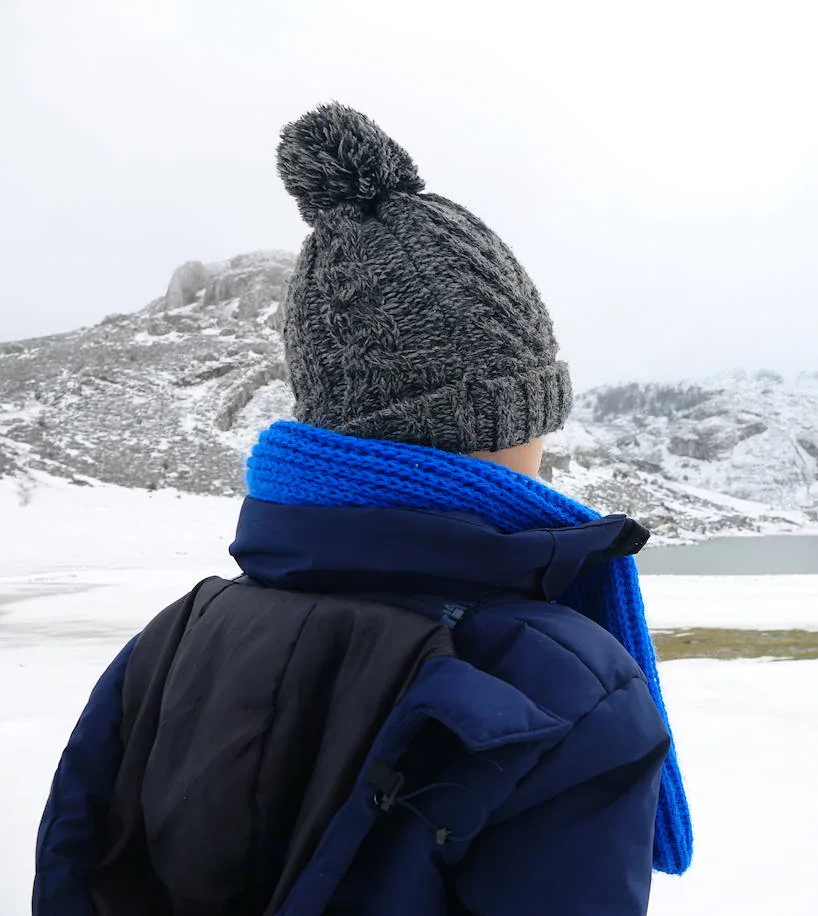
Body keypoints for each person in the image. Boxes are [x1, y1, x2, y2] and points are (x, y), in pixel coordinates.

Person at [32, 103, 692, 916]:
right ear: (502, 423)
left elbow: (76, 870)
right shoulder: (565, 684)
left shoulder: (176, 637)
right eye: (536, 409)